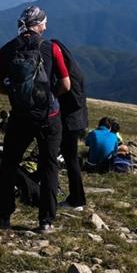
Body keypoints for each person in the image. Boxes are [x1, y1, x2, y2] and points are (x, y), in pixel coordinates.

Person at [0, 6, 71, 234]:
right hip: (49, 117)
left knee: (9, 164)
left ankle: (4, 216)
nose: (45, 27)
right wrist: (50, 97)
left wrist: (16, 95)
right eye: (44, 23)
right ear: (39, 25)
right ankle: (45, 221)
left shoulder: (7, 49)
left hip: (20, 117)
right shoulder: (51, 48)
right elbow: (66, 84)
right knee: (49, 166)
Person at [52, 40, 88, 211]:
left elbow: (68, 99)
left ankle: (76, 199)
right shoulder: (76, 70)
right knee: (71, 159)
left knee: (70, 159)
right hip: (78, 121)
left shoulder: (65, 77)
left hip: (68, 122)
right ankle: (77, 198)